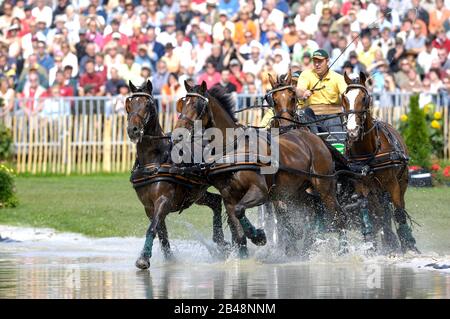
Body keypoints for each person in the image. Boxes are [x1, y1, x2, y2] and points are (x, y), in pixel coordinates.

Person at [295, 49, 348, 140]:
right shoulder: (306, 74)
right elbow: (299, 90)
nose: (316, 64)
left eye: (320, 61)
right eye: (315, 61)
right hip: (311, 115)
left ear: (327, 61)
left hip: (332, 114)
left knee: (338, 142)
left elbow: (346, 93)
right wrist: (303, 93)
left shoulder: (338, 78)